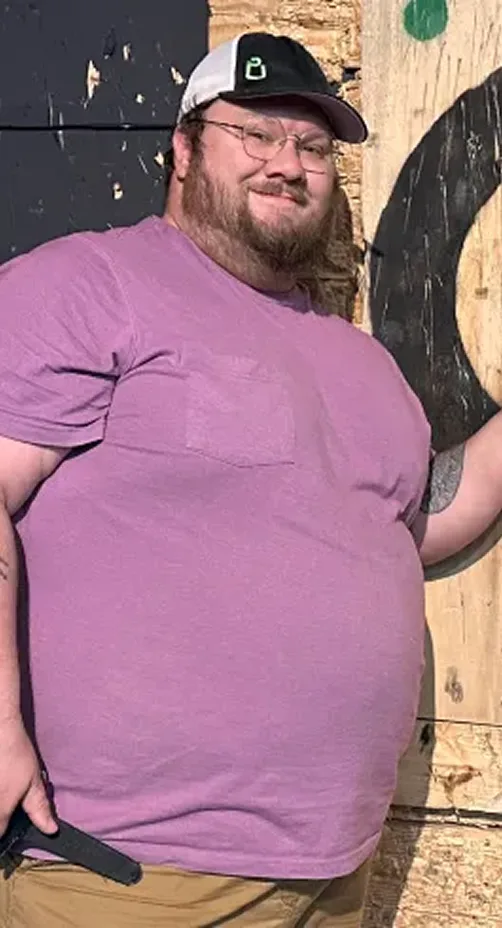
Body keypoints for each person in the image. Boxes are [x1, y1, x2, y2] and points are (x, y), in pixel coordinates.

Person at [0, 30, 501, 928]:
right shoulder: (89, 284)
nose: (288, 163)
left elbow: (422, 522)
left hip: (333, 870)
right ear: (184, 148)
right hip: (131, 873)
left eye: (313, 146)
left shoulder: (361, 363)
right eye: (256, 133)